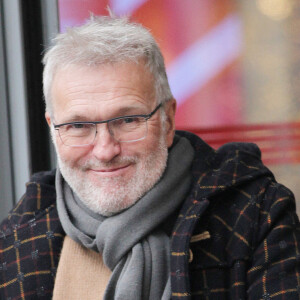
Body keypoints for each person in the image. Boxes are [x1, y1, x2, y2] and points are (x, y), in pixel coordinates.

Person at [0, 15, 299, 300]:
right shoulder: (17, 241)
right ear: (53, 128)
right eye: (78, 126)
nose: (105, 150)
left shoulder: (255, 213)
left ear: (167, 120)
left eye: (128, 120)